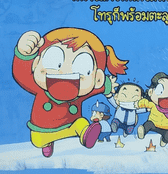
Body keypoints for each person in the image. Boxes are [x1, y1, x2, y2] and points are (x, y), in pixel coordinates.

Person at [12, 27, 128, 157]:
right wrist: (23, 54)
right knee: (38, 141)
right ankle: (47, 143)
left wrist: (107, 86)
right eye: (53, 61)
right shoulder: (39, 87)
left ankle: (85, 136)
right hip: (43, 129)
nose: (64, 72)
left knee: (81, 123)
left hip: (71, 125)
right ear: (36, 63)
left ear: (97, 78)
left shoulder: (79, 92)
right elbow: (21, 74)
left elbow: (94, 88)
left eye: (83, 67)